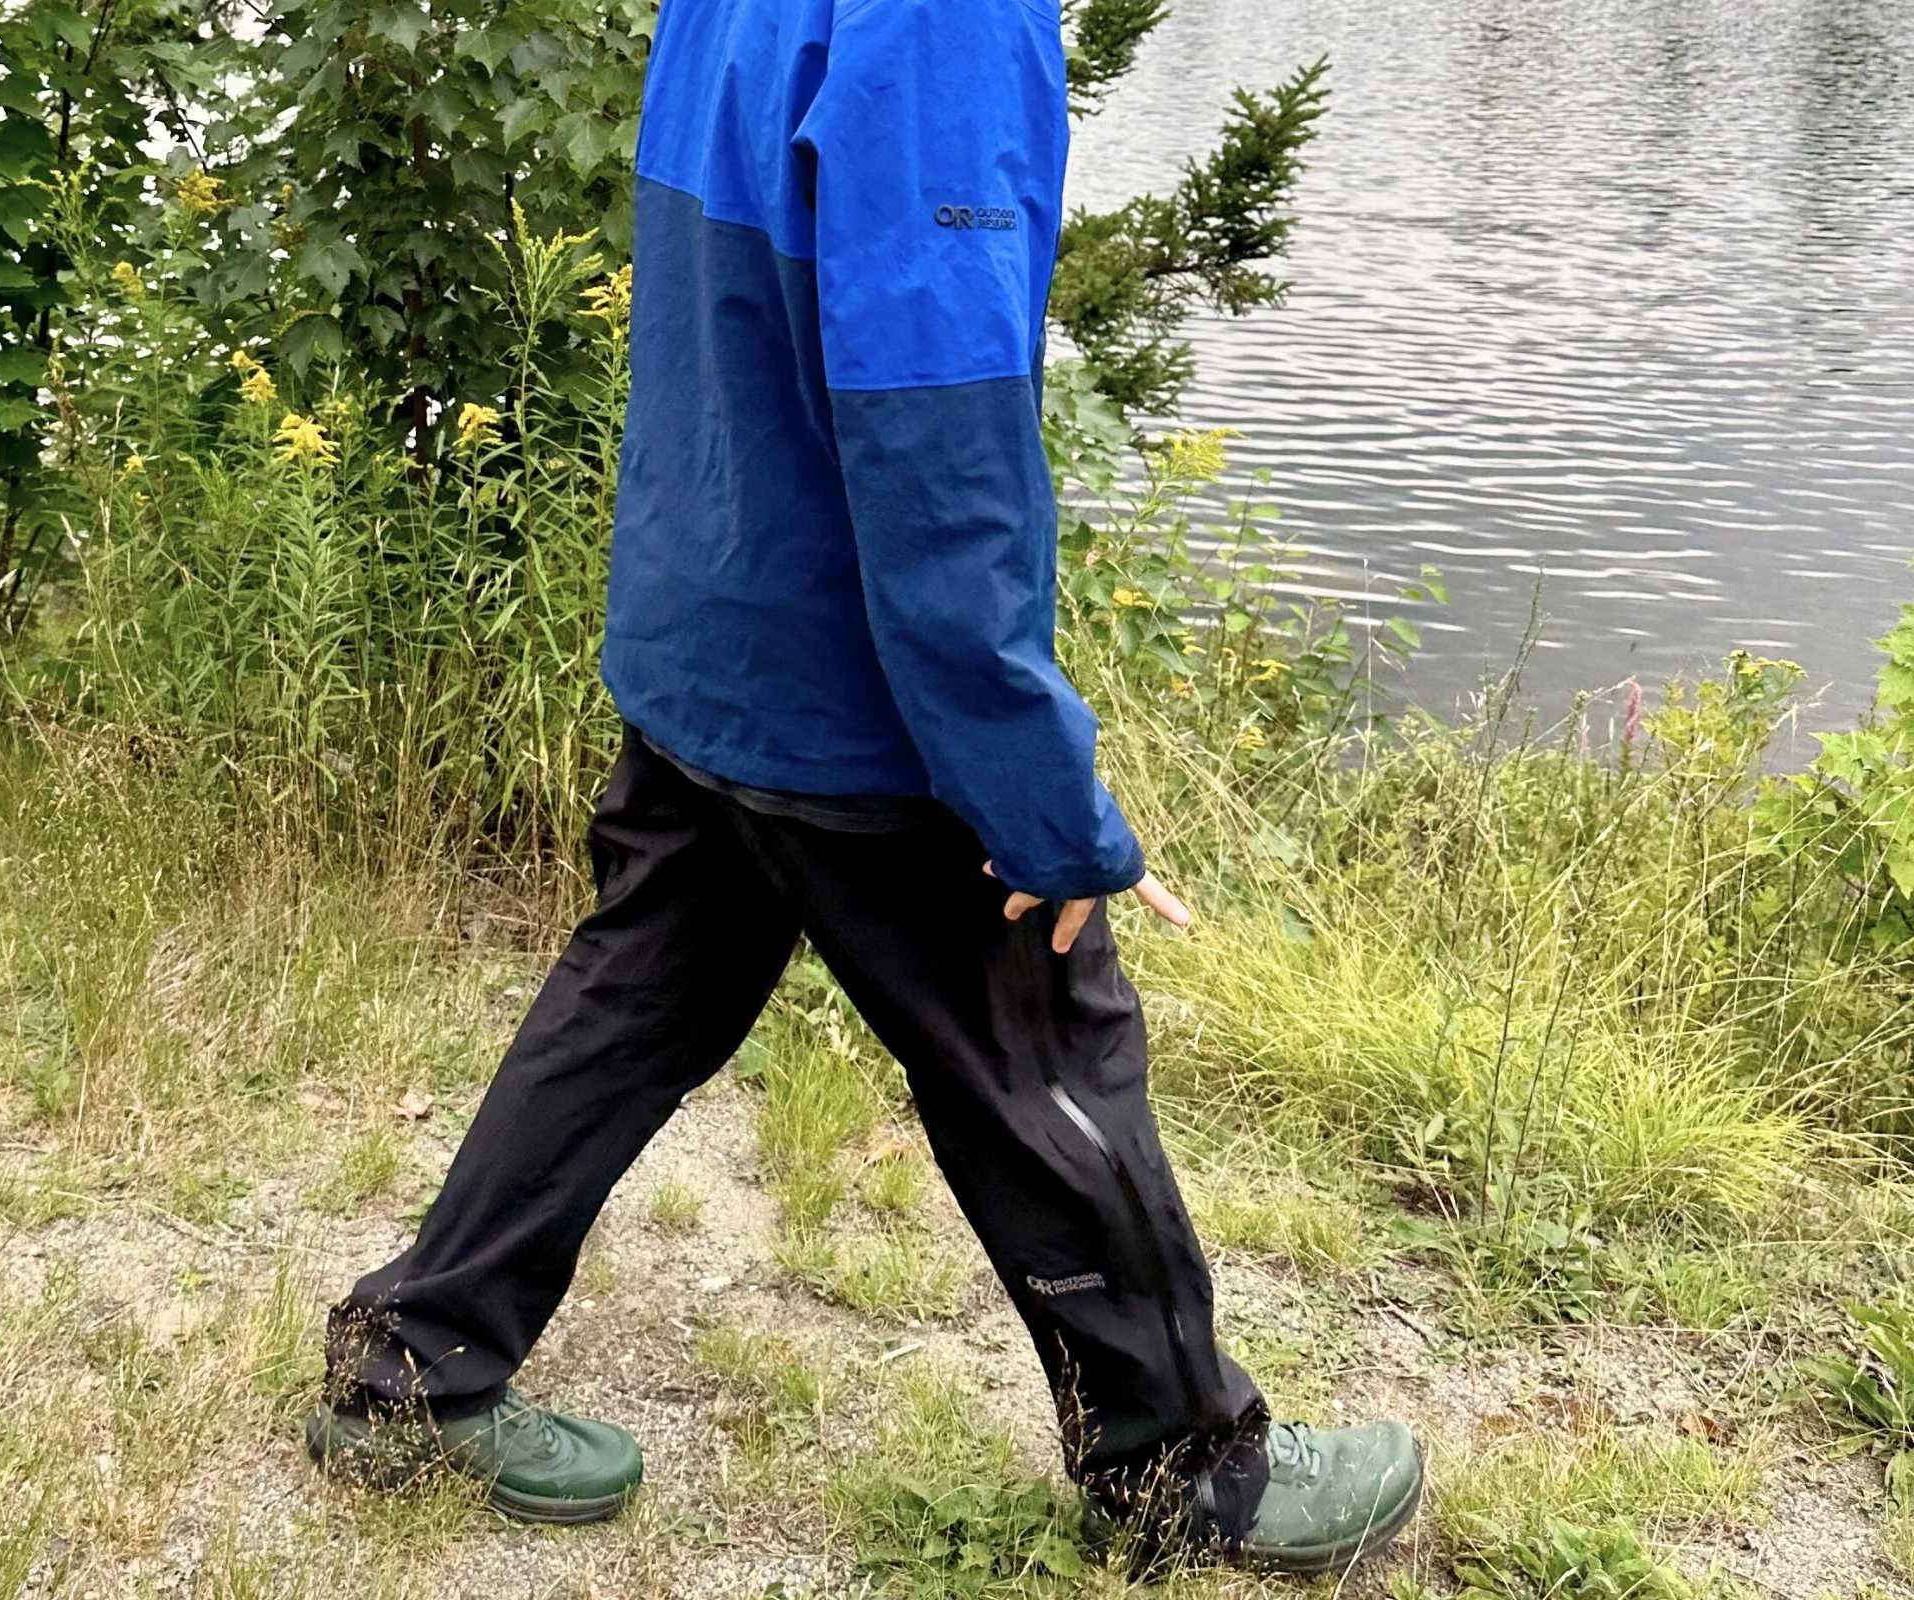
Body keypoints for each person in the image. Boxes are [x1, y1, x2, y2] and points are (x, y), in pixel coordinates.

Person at [306, 0, 1424, 1574]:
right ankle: (1185, 1472)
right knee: (1047, 1043)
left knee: (636, 994)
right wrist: (1039, 800)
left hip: (710, 623)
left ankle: (409, 1371)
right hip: (852, 696)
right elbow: (935, 435)